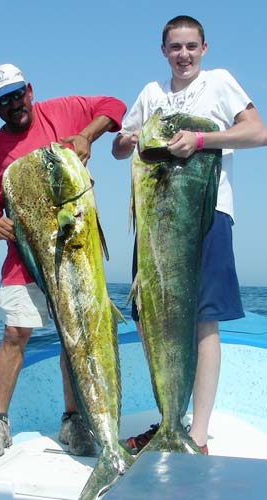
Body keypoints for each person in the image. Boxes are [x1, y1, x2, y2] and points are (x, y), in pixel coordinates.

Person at [112, 15, 266, 455]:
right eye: (175, 47)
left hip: (207, 213)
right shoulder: (150, 93)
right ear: (163, 50)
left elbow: (257, 132)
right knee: (154, 316)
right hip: (156, 220)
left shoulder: (219, 82)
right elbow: (120, 147)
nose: (183, 55)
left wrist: (200, 140)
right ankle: (169, 423)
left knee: (203, 318)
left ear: (204, 48)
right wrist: (129, 138)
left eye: (191, 47)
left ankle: (196, 434)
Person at [0, 63, 126, 458]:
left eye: (17, 94)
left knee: (75, 336)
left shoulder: (61, 110)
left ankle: (73, 419)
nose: (13, 105)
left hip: (73, 251)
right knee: (13, 334)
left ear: (29, 89)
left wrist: (87, 134)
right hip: (24, 257)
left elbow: (114, 105)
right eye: (2, 102)